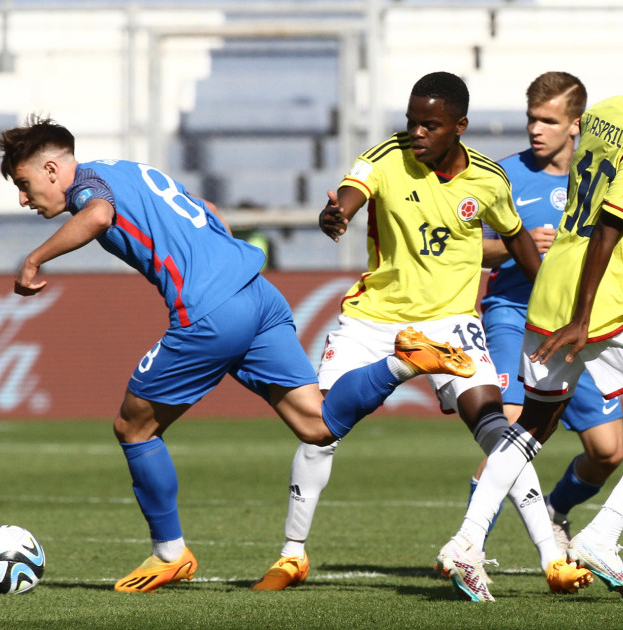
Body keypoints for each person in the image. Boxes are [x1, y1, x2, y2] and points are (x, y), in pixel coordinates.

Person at [0, 115, 476, 594]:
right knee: (317, 424)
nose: (23, 198)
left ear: (55, 170)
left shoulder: (88, 186)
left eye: (24, 184)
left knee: (134, 426)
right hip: (259, 293)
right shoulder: (127, 169)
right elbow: (204, 207)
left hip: (210, 310)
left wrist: (34, 259)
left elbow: (98, 215)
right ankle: (404, 361)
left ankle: (170, 553)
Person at [252, 71, 592, 602]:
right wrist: (337, 213)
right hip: (373, 320)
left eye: (430, 125)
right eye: (411, 121)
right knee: (319, 429)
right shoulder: (386, 156)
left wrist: (549, 299)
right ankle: (292, 554)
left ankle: (553, 560)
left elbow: (518, 240)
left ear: (459, 126)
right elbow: (351, 193)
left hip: (451, 322)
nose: (416, 133)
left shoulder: (486, 179)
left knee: (497, 430)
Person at [438, 28, 623, 602]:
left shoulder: (603, 113)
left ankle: (466, 541)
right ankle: (602, 536)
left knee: (532, 425)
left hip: (549, 282)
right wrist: (585, 315)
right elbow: (612, 224)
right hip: (604, 297)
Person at [475, 71, 623, 555]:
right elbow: (466, 247)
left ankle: (558, 512)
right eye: (531, 119)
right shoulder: (503, 175)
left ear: (575, 124)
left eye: (548, 121)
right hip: (514, 314)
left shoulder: (597, 175)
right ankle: (468, 544)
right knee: (511, 425)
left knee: (607, 451)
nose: (535, 130)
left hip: (575, 323)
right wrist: (511, 248)